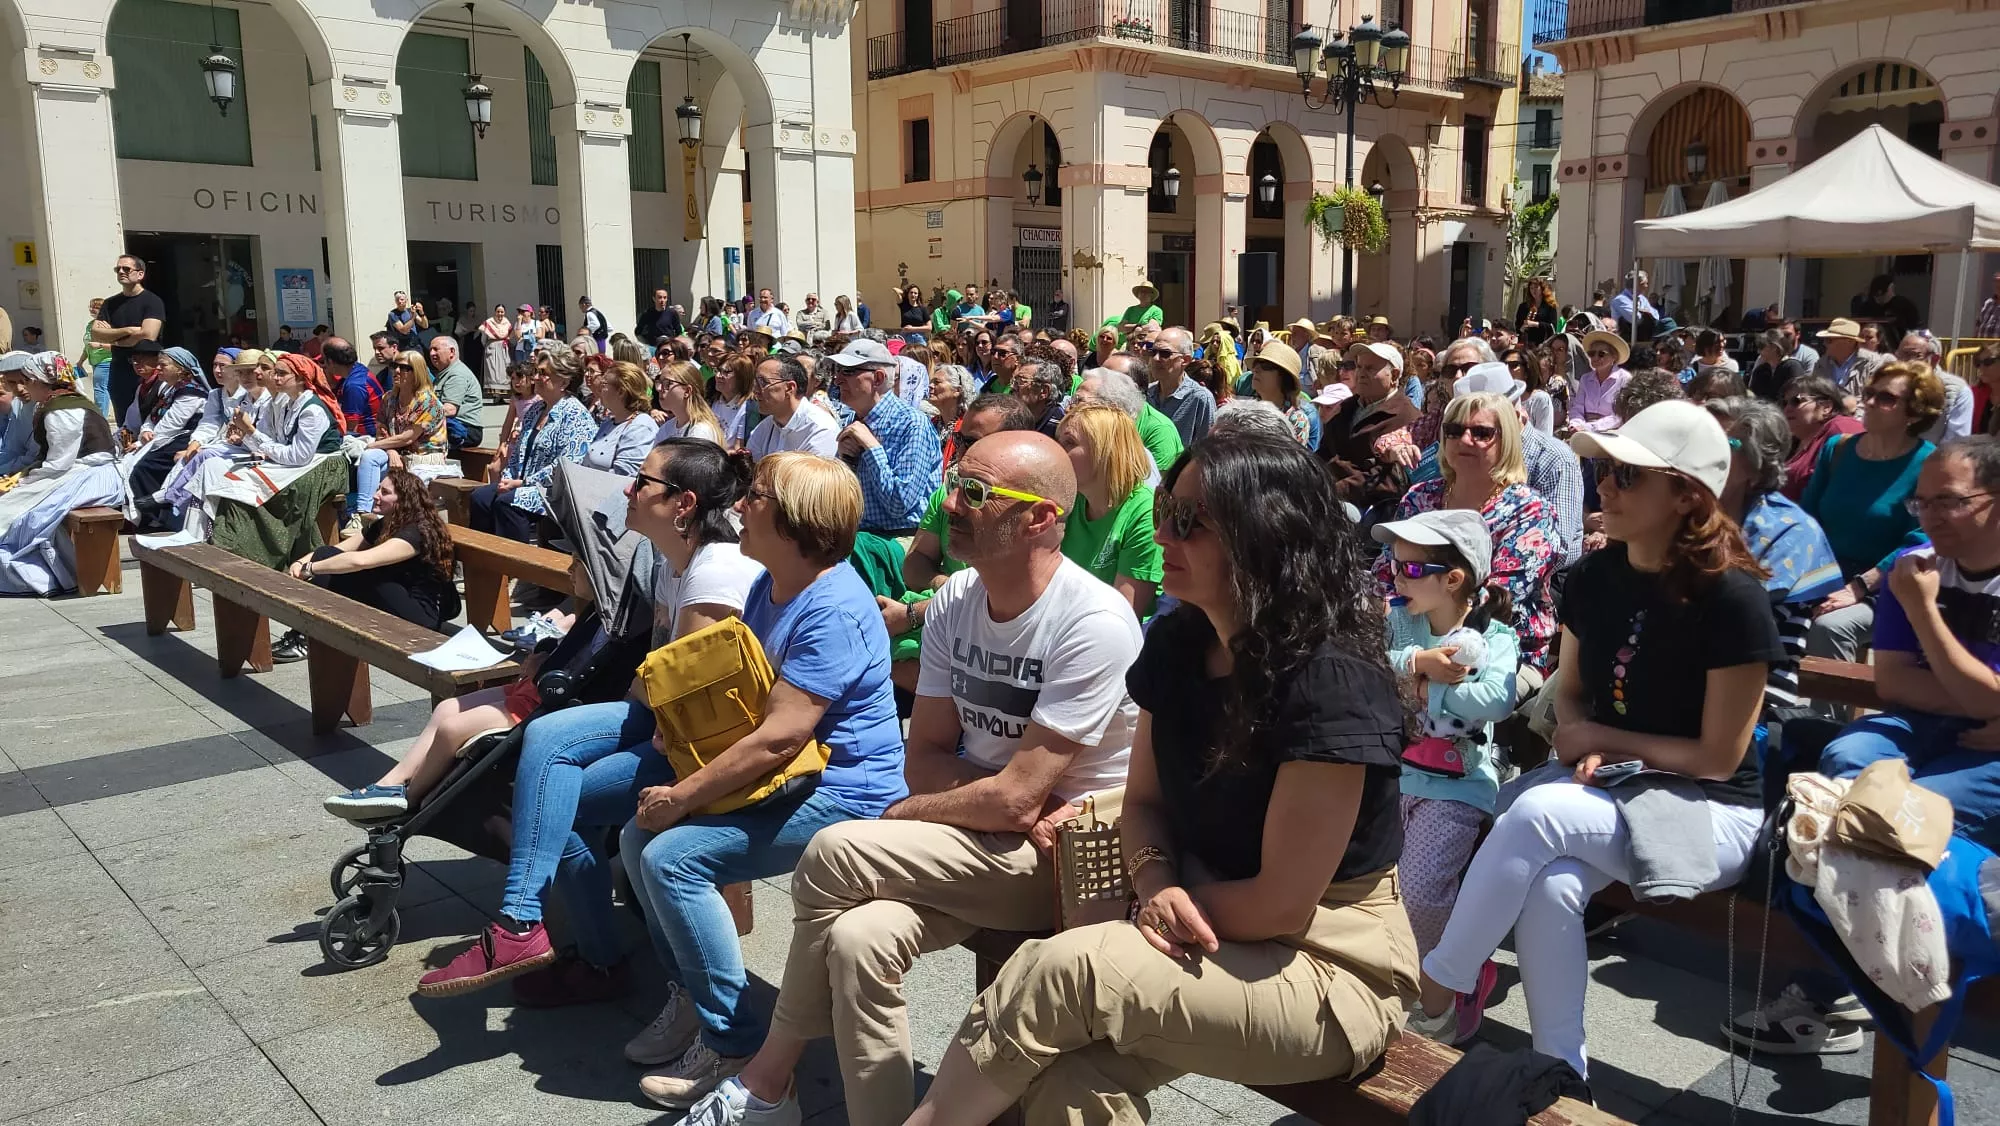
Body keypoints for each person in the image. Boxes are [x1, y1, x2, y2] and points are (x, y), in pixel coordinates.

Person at [876, 431, 1415, 1126]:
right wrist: (1156, 883)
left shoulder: (1332, 683)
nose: (1162, 532)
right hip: (1199, 919)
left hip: (1329, 961)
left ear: (1266, 537)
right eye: (1165, 508)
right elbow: (1145, 803)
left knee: (1057, 972)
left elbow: (1284, 903)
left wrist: (1150, 908)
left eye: (1188, 521)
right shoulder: (1178, 642)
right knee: (1068, 1081)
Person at [683, 431, 1145, 1124]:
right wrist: (986, 796)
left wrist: (914, 813)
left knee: (838, 849)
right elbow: (924, 756)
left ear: (1040, 521)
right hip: (980, 836)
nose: (950, 503)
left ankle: (766, 1081)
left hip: (1069, 862)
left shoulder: (1093, 622)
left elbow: (1019, 801)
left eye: (976, 494)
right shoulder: (959, 599)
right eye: (954, 483)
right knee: (858, 940)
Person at [1420, 400, 1781, 1076]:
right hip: (1602, 794)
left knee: (1533, 810)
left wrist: (1600, 738)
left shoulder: (1732, 599)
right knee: (1553, 884)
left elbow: (1718, 757)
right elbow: (1575, 692)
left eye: (1627, 475)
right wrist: (1579, 734)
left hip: (1708, 810)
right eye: (1606, 473)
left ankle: (1436, 989)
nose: (1605, 487)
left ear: (1685, 494)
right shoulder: (1591, 578)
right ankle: (1564, 1071)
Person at [413, 439, 771, 1000]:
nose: (628, 489)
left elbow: (681, 698)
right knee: (554, 783)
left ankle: (522, 925)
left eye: (643, 482)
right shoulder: (678, 563)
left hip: (703, 745)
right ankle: (578, 952)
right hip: (665, 724)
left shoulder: (715, 572)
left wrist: (621, 698)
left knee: (550, 745)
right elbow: (658, 682)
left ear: (684, 504)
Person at [615, 450, 910, 1105]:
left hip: (845, 789)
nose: (740, 505)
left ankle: (732, 1040)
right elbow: (741, 687)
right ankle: (697, 996)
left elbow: (782, 735)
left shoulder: (831, 604)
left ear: (797, 520)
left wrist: (684, 794)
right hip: (790, 779)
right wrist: (678, 725)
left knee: (671, 858)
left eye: (757, 498)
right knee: (639, 841)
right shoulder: (766, 583)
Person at [1727, 434, 2000, 1055]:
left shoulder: (1918, 587)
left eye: (1949, 501)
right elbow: (1893, 680)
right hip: (1929, 726)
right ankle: (1851, 968)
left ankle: (1828, 989)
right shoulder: (1916, 567)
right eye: (1921, 503)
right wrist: (1980, 696)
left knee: (1899, 816)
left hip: (1983, 755)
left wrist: (1926, 615)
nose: (1929, 517)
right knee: (1844, 763)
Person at [1374, 508, 1519, 1039]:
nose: (1395, 576)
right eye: (1393, 564)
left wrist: (1418, 690)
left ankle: (1444, 989)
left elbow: (1493, 701)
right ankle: (1392, 977)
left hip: (1458, 787)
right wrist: (1417, 663)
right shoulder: (1400, 624)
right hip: (1392, 774)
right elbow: (1366, 665)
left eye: (1410, 569)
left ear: (1452, 579)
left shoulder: (1494, 637)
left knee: (1420, 890)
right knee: (1374, 884)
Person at [1379, 386, 1560, 674]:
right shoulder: (1419, 497)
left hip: (1496, 649)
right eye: (1453, 430)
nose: (1465, 440)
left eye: (1481, 433)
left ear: (1507, 441)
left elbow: (1500, 598)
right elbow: (1386, 573)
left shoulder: (1529, 511)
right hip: (1409, 638)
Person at [1704, 397, 1844, 708]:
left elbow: (1739, 623)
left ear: (1756, 465)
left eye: (1726, 441)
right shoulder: (1681, 513)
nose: (1704, 451)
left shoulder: (1789, 530)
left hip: (1753, 691)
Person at [1799, 361, 1941, 666]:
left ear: (1914, 413)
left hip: (1889, 584)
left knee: (1830, 627)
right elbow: (1807, 519)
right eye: (1870, 393)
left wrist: (1859, 586)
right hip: (1824, 575)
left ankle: (1827, 715)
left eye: (1887, 398)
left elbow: (1920, 541)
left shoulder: (1930, 464)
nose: (1871, 402)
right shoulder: (1837, 449)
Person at [0, 353, 123, 594]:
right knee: (21, 507)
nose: (23, 387)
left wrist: (23, 480)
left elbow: (59, 463)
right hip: (78, 472)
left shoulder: (62, 410)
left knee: (28, 514)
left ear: (39, 381)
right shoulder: (63, 402)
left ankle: (52, 577)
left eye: (27, 380)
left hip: (92, 476)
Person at [286, 467, 456, 634]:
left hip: (420, 614)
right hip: (394, 596)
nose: (376, 495)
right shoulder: (385, 524)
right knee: (328, 557)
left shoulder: (416, 532)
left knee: (346, 572)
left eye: (385, 492)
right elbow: (337, 549)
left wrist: (310, 569)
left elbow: (361, 561)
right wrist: (302, 562)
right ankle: (308, 631)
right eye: (377, 489)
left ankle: (305, 634)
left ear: (404, 500)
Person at [470, 346, 596, 543]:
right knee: (480, 497)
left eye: (543, 373)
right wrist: (508, 478)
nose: (536, 377)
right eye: (537, 371)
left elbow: (566, 467)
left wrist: (522, 483)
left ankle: (516, 566)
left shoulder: (576, 416)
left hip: (552, 491)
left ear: (563, 381)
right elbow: (517, 453)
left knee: (508, 503)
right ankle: (484, 565)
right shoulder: (536, 410)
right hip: (521, 483)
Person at [1056, 403, 1162, 616]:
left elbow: (1124, 613)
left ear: (1105, 451)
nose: (1058, 451)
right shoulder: (1069, 499)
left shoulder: (1144, 512)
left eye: (1069, 443)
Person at [826, 340, 941, 534]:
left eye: (847, 371)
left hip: (900, 539)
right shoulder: (856, 420)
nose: (837, 380)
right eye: (837, 370)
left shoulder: (911, 423)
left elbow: (899, 504)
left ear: (878, 378)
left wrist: (872, 449)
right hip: (861, 536)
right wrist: (846, 461)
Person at [1319, 340, 1417, 515]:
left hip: (1366, 512)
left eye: (1370, 368)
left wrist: (1336, 490)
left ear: (1394, 376)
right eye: (1359, 367)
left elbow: (1391, 479)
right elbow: (1324, 451)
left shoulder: (1407, 417)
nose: (1361, 374)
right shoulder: (1347, 407)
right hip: (1324, 494)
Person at [119, 346, 210, 531]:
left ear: (180, 369)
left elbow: (171, 425)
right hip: (164, 436)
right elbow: (153, 417)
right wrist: (145, 430)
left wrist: (140, 443)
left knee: (144, 465)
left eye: (163, 365)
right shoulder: (169, 389)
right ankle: (136, 513)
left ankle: (152, 515)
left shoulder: (190, 393)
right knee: (126, 460)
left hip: (184, 437)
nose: (158, 369)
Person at [354, 351, 446, 519]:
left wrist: (374, 444)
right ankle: (364, 514)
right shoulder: (389, 398)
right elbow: (381, 430)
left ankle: (386, 517)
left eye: (404, 368)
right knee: (369, 457)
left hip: (423, 457)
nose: (396, 371)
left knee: (371, 451)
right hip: (396, 453)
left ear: (416, 371)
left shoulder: (428, 402)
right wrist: (391, 451)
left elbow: (408, 437)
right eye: (394, 366)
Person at [93, 254, 165, 422]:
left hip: (147, 369)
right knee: (124, 420)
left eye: (126, 268)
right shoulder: (110, 304)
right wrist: (128, 330)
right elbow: (96, 333)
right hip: (119, 369)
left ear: (140, 274)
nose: (121, 272)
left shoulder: (152, 301)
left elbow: (148, 335)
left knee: (149, 419)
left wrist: (112, 337)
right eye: (118, 269)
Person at [1778, 375, 1861, 501]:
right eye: (1784, 402)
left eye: (1796, 401)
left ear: (1826, 407)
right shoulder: (1796, 439)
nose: (1787, 408)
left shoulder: (1842, 427)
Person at [745, 355, 838, 461]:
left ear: (789, 388)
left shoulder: (822, 430)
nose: (756, 390)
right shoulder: (764, 428)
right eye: (755, 383)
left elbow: (809, 477)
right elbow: (750, 469)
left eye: (763, 382)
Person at [582, 360, 660, 475]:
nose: (599, 389)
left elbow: (624, 476)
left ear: (621, 391)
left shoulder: (641, 427)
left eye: (604, 385)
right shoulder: (608, 423)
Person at [1895, 329, 1973, 443]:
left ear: (1934, 360)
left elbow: (1956, 442)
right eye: (1900, 355)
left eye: (1912, 355)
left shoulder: (1957, 390)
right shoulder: (1888, 383)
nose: (1903, 361)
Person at [426, 335, 486, 450]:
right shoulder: (445, 373)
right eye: (430, 350)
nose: (432, 354)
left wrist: (418, 414)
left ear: (452, 351)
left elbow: (449, 410)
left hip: (464, 429)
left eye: (436, 349)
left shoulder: (457, 374)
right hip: (451, 426)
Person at [1248, 340, 1312, 447]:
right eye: (1256, 364)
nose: (1256, 369)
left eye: (1266, 366)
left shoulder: (1295, 420)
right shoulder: (1247, 412)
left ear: (1283, 377)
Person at [1569, 329, 1632, 432]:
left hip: (1613, 434)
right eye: (1592, 354)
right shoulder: (1585, 379)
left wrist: (1589, 427)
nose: (1595, 358)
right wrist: (1575, 424)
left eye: (1601, 354)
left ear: (1614, 357)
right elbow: (1577, 407)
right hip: (1584, 432)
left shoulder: (1625, 379)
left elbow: (1620, 415)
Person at [654, 360, 725, 447]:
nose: (659, 388)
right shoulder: (666, 428)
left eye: (667, 383)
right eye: (659, 382)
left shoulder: (701, 431)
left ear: (687, 391)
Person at [323, 337, 384, 438]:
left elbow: (351, 429)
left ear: (330, 362)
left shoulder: (354, 386)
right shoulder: (356, 368)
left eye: (323, 361)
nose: (323, 366)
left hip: (366, 438)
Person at [1811, 317, 1885, 398]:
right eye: (1824, 340)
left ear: (1850, 342)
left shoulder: (1872, 363)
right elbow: (1815, 394)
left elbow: (1874, 399)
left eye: (1829, 340)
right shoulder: (1821, 364)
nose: (1824, 344)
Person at [1849, 273, 1923, 349]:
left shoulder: (1904, 305)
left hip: (1898, 347)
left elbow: (1913, 329)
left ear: (1891, 287)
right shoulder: (1867, 307)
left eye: (1882, 294)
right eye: (1876, 295)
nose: (1879, 299)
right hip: (1870, 348)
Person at [77, 297, 113, 419]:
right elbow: (87, 346)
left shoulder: (108, 324)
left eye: (96, 307)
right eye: (91, 307)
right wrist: (81, 360)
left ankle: (100, 417)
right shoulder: (90, 325)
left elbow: (117, 346)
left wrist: (100, 345)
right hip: (94, 361)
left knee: (100, 389)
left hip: (105, 361)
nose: (92, 309)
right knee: (101, 388)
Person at [1746, 328, 1804, 402]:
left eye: (1761, 347)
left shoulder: (1792, 367)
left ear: (1774, 347)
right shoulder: (1760, 370)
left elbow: (1796, 397)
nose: (1758, 351)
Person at [476, 303, 515, 398]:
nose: (500, 314)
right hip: (492, 347)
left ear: (504, 312)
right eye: (498, 311)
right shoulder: (489, 322)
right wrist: (488, 346)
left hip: (503, 348)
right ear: (495, 312)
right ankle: (495, 394)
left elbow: (510, 335)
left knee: (503, 369)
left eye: (502, 312)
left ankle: (504, 394)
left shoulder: (507, 322)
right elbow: (483, 338)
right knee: (493, 370)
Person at [1608, 269, 1658, 338]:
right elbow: (1636, 319)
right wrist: (1646, 312)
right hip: (1625, 339)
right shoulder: (1620, 300)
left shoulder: (1642, 298)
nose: (1646, 286)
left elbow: (1656, 315)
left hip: (1642, 336)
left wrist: (1644, 312)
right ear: (1636, 285)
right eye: (1644, 283)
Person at [1516, 277, 1559, 346]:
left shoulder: (1550, 306)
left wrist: (1534, 324)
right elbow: (1517, 326)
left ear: (1542, 289)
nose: (1533, 291)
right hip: (1526, 344)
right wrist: (1521, 328)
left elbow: (1552, 327)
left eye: (1536, 287)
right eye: (1531, 288)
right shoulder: (1523, 306)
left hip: (1543, 344)